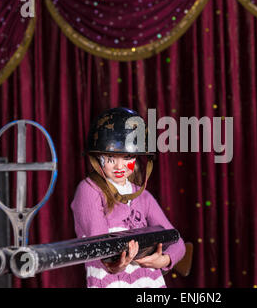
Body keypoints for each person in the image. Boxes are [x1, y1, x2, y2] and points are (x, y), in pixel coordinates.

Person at [71, 107, 185, 288]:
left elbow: (177, 241)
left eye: (127, 158)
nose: (119, 166)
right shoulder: (89, 190)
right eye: (110, 157)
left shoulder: (144, 196)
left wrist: (163, 260)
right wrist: (115, 265)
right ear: (97, 158)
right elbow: (101, 247)